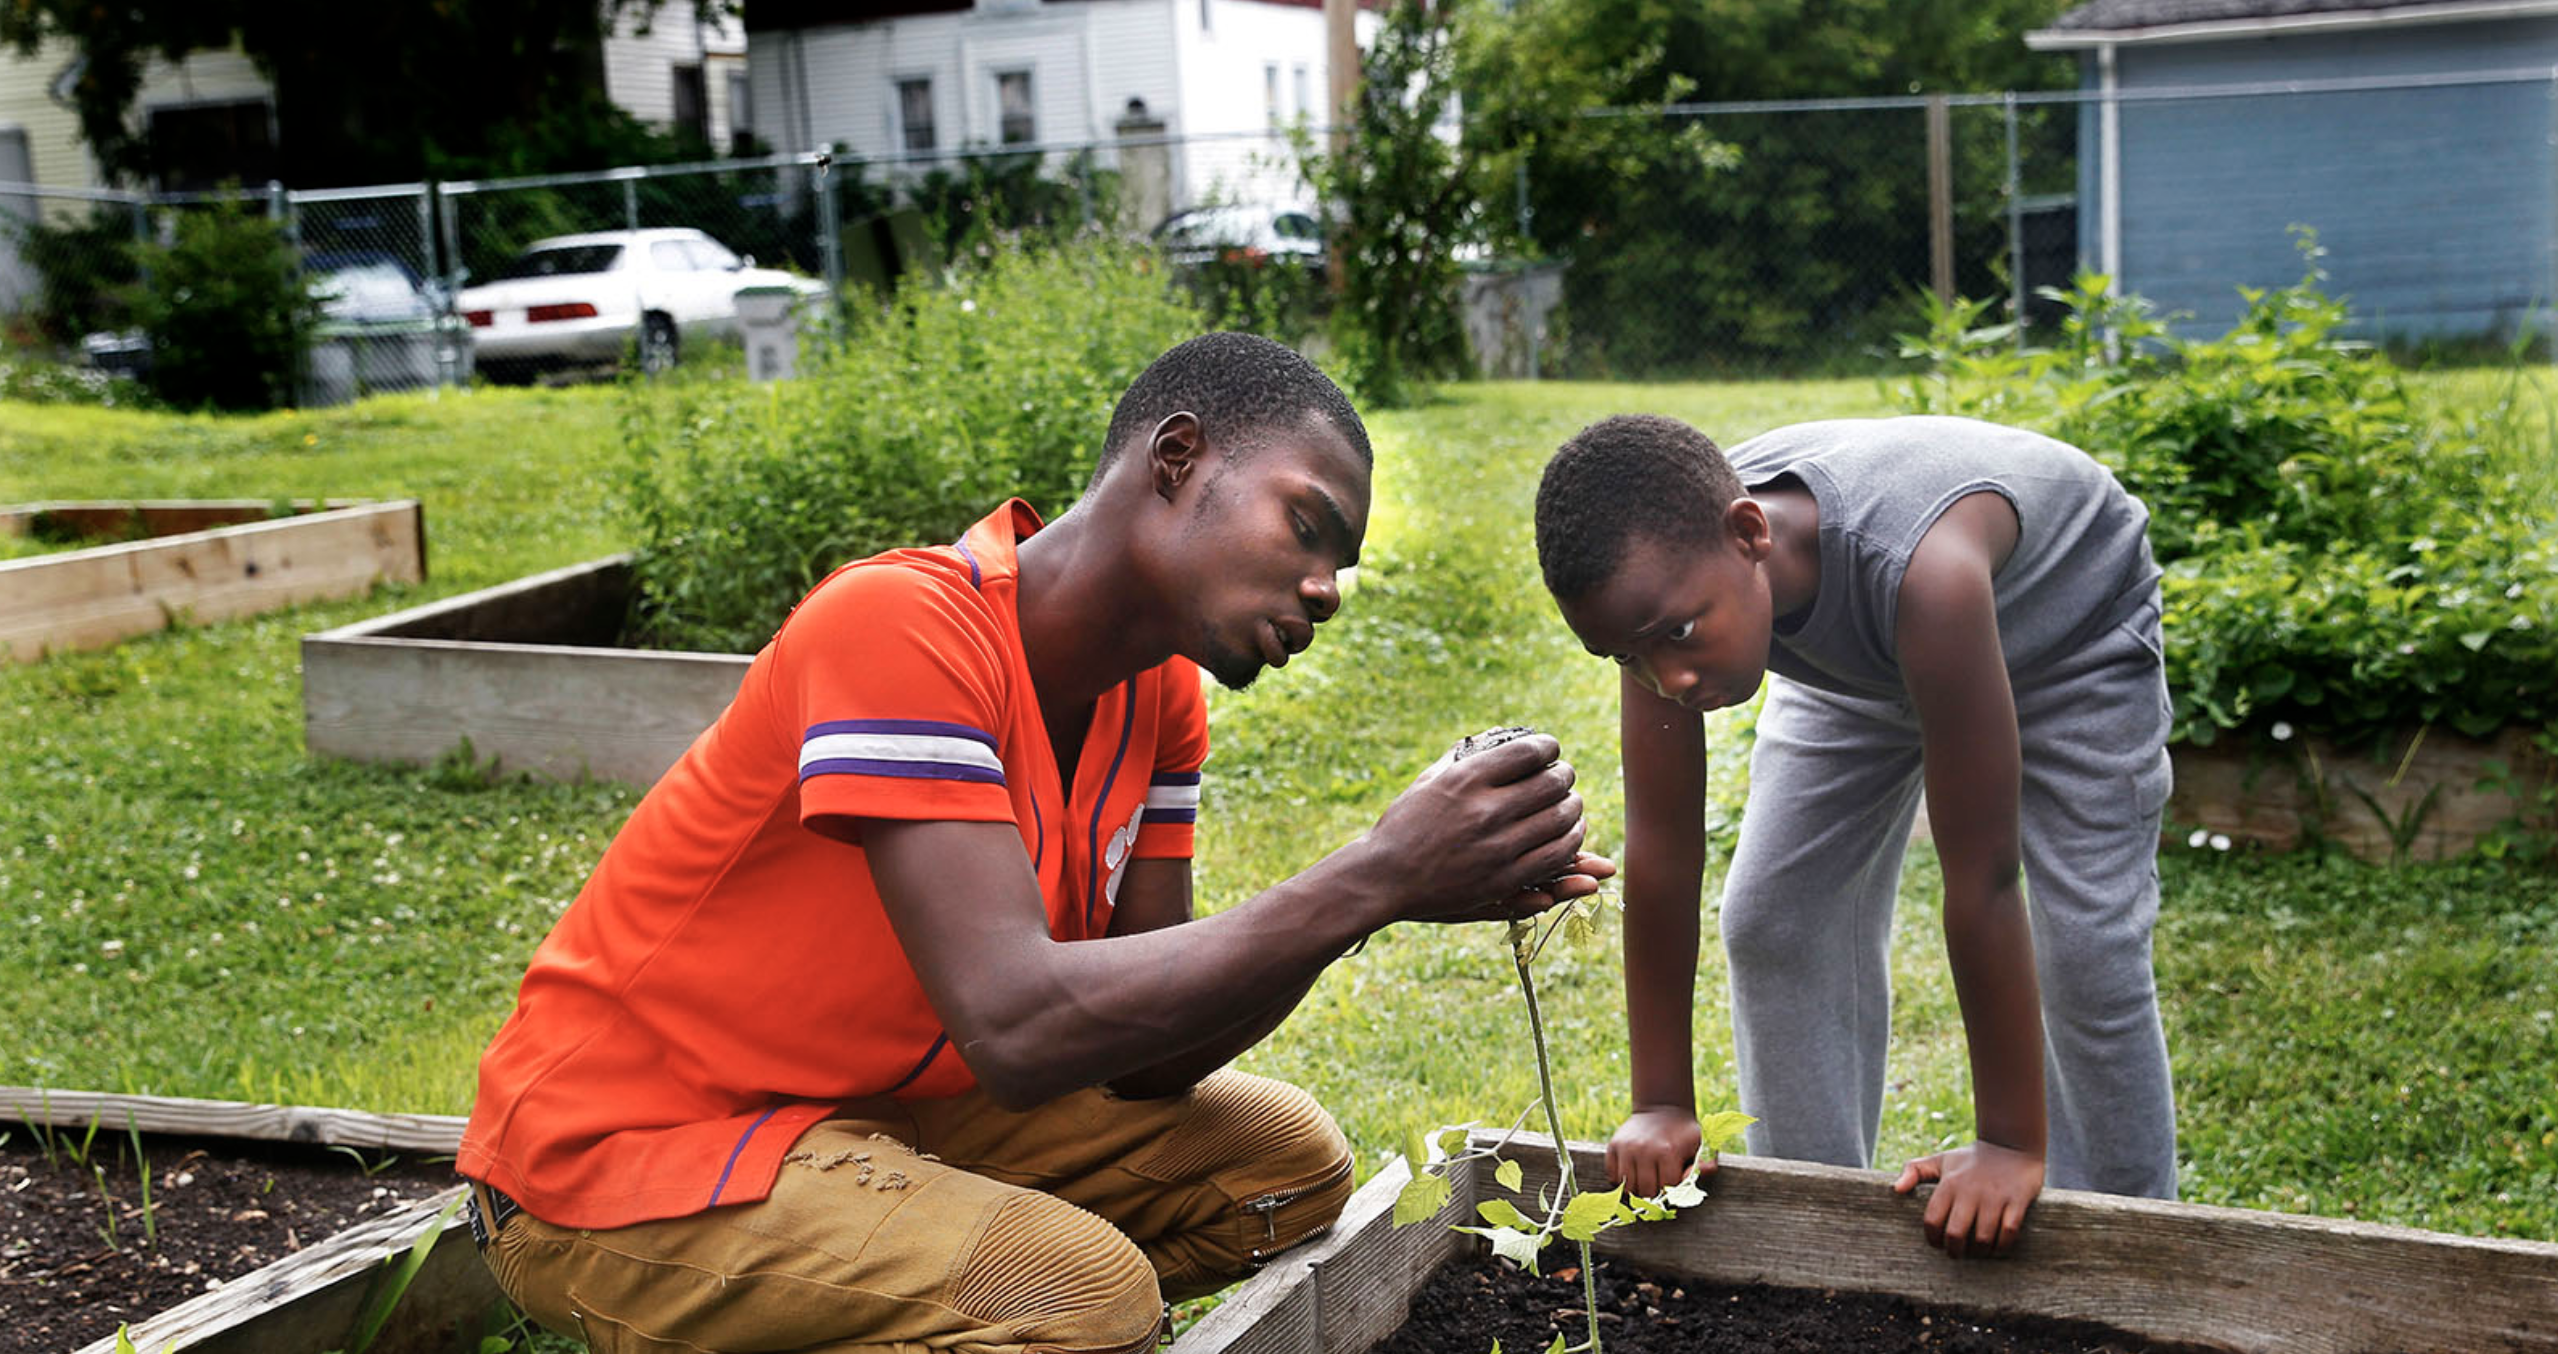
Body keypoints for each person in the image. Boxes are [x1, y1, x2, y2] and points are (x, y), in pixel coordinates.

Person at [456, 332, 1613, 1353]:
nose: (1323, 588)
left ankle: (924, 1297)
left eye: (1338, 564)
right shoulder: (901, 628)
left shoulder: (1156, 700)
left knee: (1285, 1165)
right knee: (1080, 1295)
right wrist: (1373, 868)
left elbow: (1147, 1063)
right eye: (1305, 524)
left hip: (872, 1115)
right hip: (625, 1158)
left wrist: (1380, 897)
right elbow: (1015, 1025)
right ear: (1175, 459)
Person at [1530, 412, 2177, 1259]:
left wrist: (2009, 1142)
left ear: (1750, 534)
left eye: (1679, 638)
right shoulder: (1658, 603)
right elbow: (1662, 853)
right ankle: (1817, 1223)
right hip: (1859, 667)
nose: (1668, 680)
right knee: (1775, 918)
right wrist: (1659, 1099)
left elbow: (1982, 876)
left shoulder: (1923, 572)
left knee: (2089, 948)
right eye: (1624, 658)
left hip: (2065, 635)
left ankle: (2137, 1246)